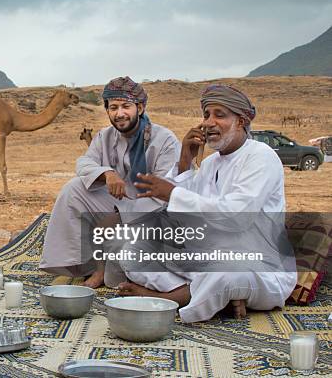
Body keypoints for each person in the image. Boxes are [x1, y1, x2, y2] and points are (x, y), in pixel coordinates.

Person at [119, 84, 297, 322]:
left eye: (219, 115)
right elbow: (184, 214)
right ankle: (216, 296)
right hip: (208, 257)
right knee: (132, 251)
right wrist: (185, 160)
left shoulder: (261, 156)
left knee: (227, 274)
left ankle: (175, 297)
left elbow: (237, 216)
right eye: (206, 115)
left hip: (255, 265)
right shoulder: (211, 163)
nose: (208, 122)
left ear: (241, 121)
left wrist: (173, 194)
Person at [40, 76, 180, 288]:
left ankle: (108, 271)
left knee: (125, 244)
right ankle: (81, 265)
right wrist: (108, 173)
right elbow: (84, 163)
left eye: (126, 106)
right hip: (120, 202)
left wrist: (122, 215)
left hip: (155, 213)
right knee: (74, 189)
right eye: (113, 107)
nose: (119, 113)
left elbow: (166, 192)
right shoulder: (105, 136)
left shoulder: (164, 140)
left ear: (140, 108)